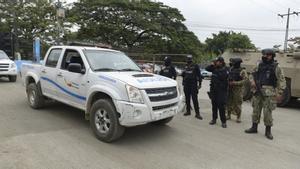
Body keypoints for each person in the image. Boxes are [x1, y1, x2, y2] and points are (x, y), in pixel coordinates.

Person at [245, 49, 286, 140]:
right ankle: (254, 127)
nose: (265, 56)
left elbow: (281, 80)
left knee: (267, 112)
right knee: (256, 110)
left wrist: (280, 93)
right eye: (264, 54)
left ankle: (268, 131)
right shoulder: (258, 64)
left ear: (272, 56)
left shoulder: (276, 67)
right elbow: (251, 74)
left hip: (269, 93)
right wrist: (252, 82)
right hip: (257, 91)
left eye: (267, 55)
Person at [206, 56, 229, 128]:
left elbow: (224, 79)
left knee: (221, 106)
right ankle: (214, 119)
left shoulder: (225, 69)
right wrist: (213, 64)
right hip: (213, 90)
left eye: (217, 62)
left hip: (221, 91)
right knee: (214, 105)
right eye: (216, 62)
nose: (216, 63)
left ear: (221, 62)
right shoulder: (214, 68)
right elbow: (207, 68)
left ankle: (223, 121)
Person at [226, 58, 248, 123]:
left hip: (238, 89)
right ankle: (228, 115)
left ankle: (238, 117)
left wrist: (235, 83)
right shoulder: (231, 69)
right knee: (229, 102)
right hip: (230, 88)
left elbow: (245, 81)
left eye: (233, 62)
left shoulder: (242, 71)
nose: (232, 63)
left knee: (237, 103)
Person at [182, 55, 203, 120]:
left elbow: (199, 75)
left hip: (193, 84)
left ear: (191, 59)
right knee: (187, 98)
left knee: (194, 99)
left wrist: (200, 83)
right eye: (187, 59)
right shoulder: (185, 66)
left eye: (189, 59)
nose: (188, 61)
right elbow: (184, 75)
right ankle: (188, 111)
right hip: (186, 84)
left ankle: (197, 113)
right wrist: (183, 81)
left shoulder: (195, 65)